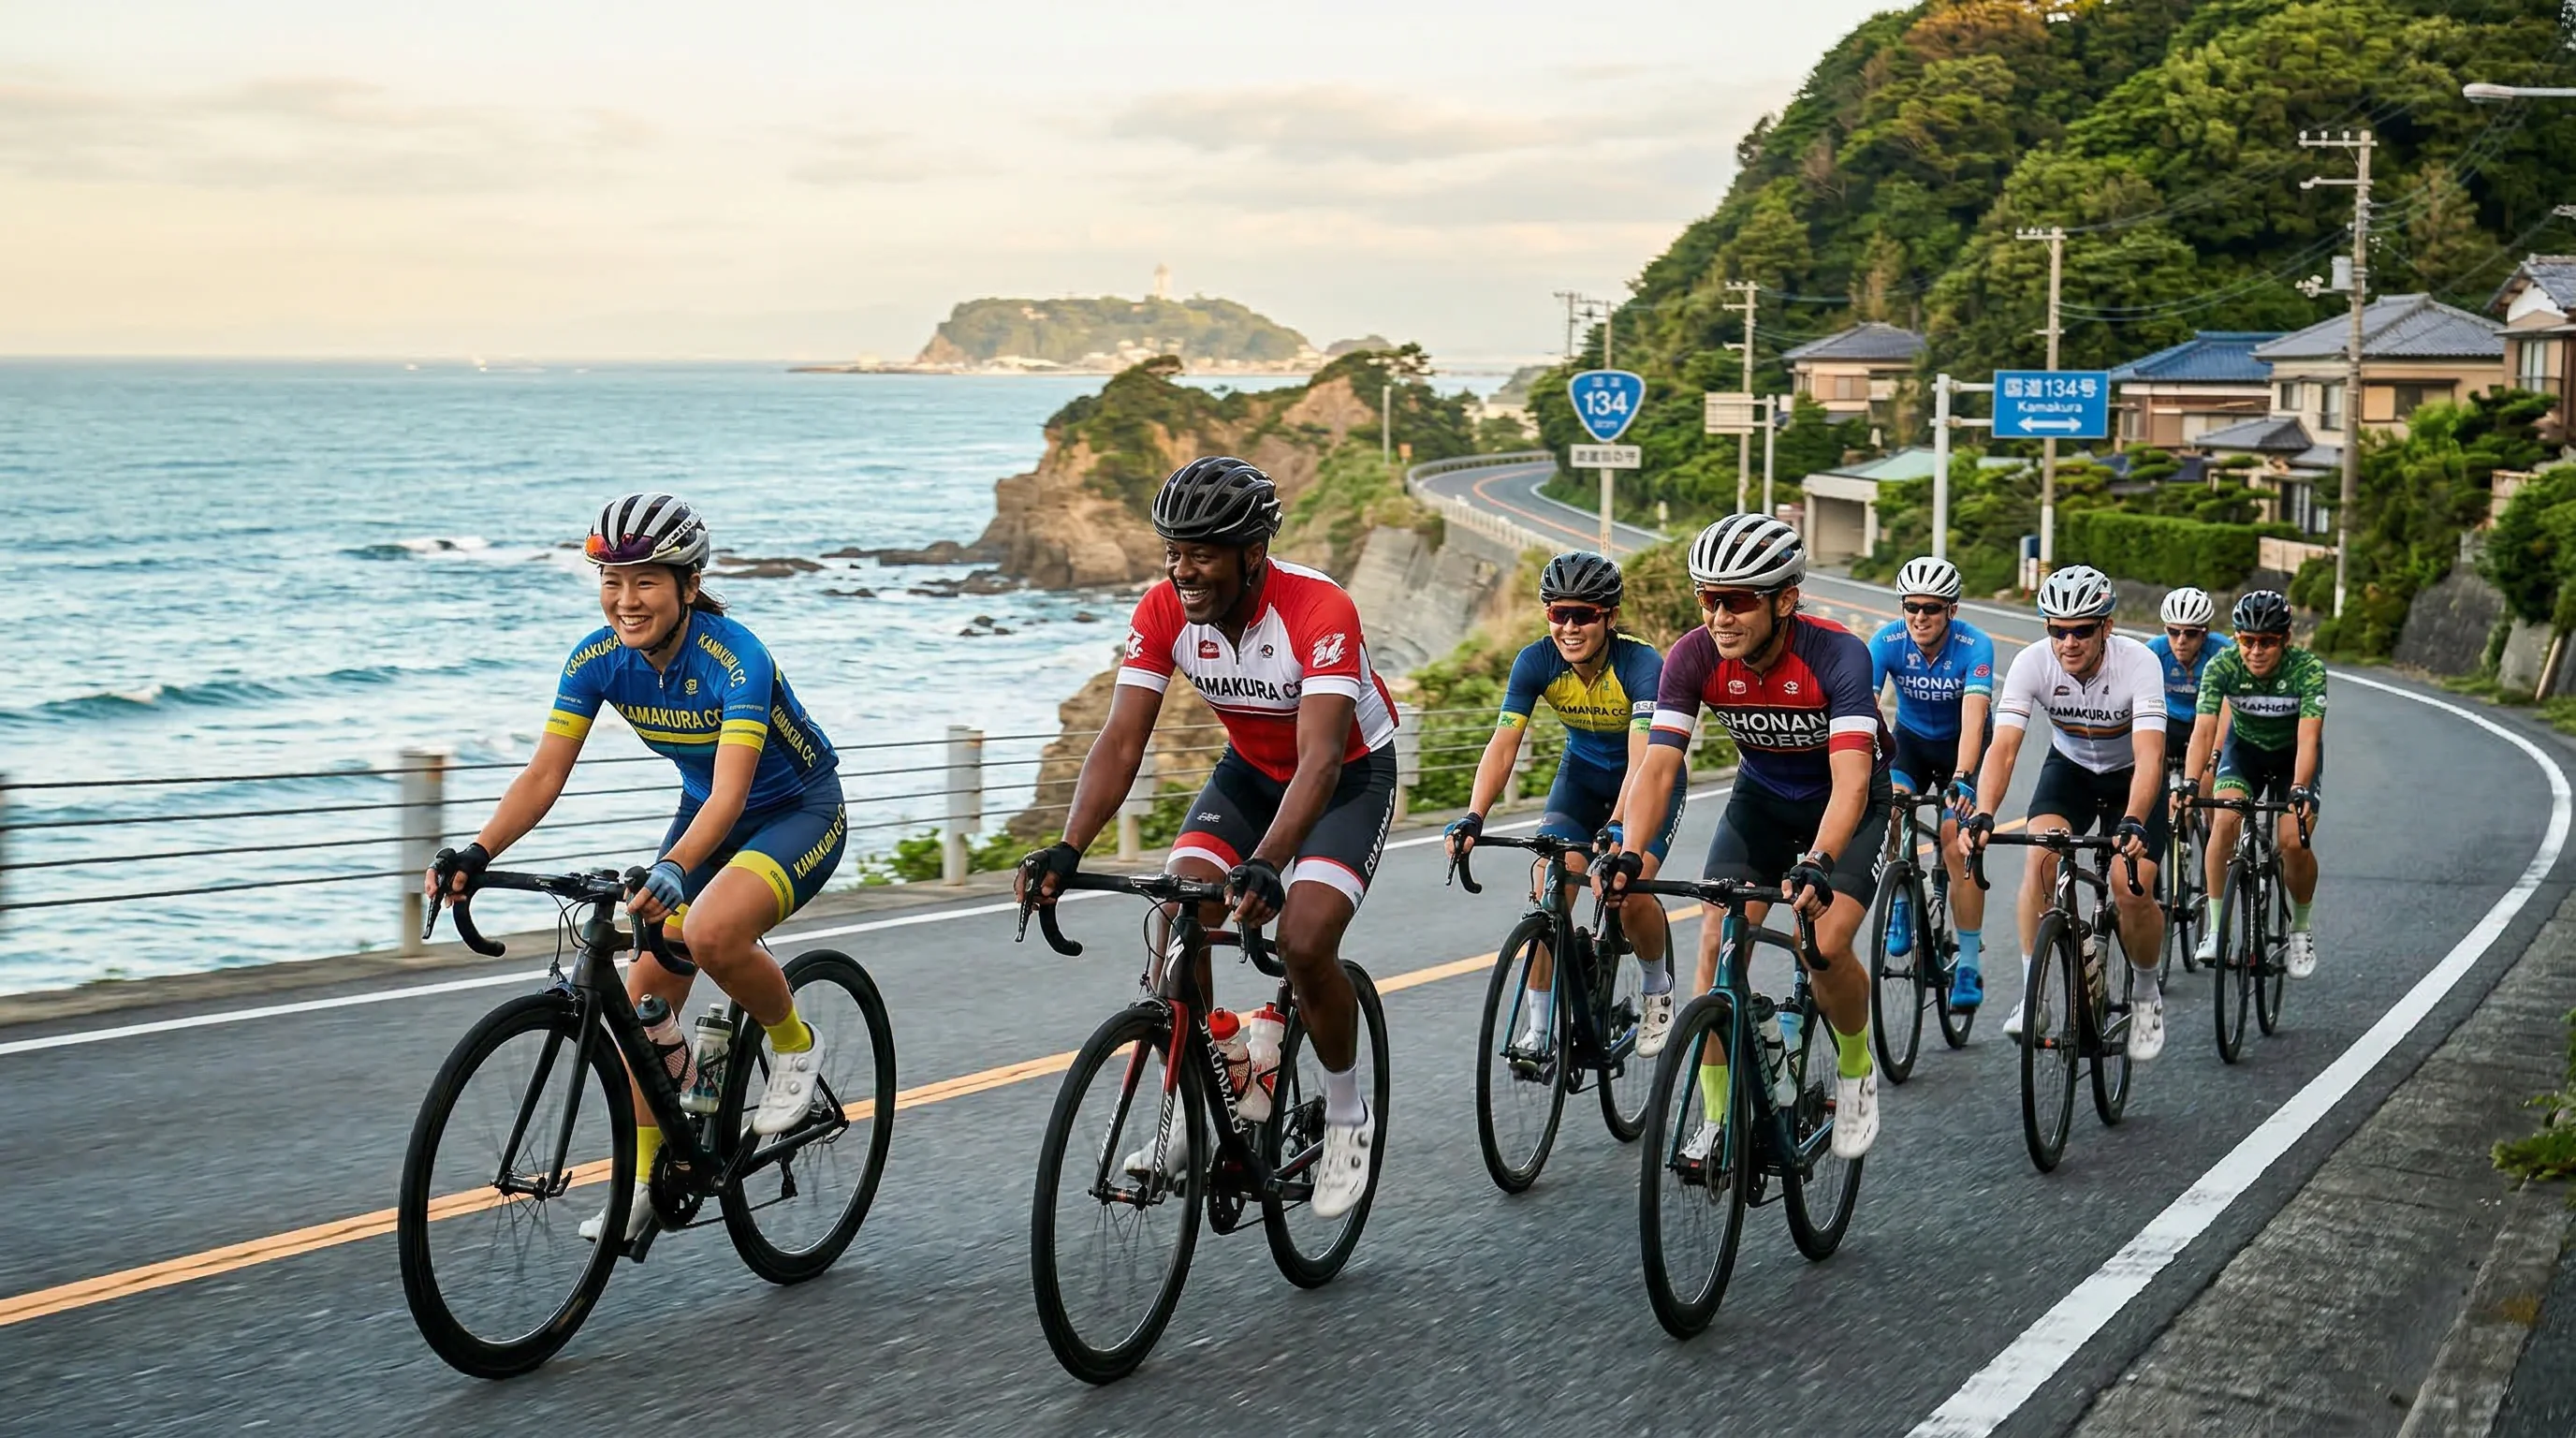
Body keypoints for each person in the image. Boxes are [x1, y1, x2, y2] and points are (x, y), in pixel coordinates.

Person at [426, 493, 847, 1244]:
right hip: (706, 816)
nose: (626, 600)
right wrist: (479, 852)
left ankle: (793, 1044)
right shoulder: (595, 661)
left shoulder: (735, 658)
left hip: (796, 810)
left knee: (712, 930)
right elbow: (543, 776)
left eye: (647, 581)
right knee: (642, 1008)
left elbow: (731, 792)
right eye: (611, 581)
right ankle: (653, 1179)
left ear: (688, 586)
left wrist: (678, 868)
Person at [1018, 457, 1397, 1219]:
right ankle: (1209, 1089)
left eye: (1200, 553)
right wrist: (1069, 847)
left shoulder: (1319, 610)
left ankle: (1350, 1112)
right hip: (1251, 773)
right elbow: (1123, 741)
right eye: (1172, 551)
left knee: (1304, 937)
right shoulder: (1162, 611)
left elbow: (1321, 759)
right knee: (1176, 914)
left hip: (1348, 778)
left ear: (1252, 552)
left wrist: (1265, 864)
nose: (1180, 569)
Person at [1597, 513, 1889, 1163]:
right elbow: (1660, 765)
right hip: (1761, 800)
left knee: (1824, 946)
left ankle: (1854, 1065)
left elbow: (1848, 784)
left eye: (1736, 601)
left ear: (1785, 600)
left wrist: (1818, 861)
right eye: (1707, 599)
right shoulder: (1693, 654)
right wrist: (1629, 850)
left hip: (1846, 805)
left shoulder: (1837, 654)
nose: (1718, 616)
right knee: (1713, 943)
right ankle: (1718, 1117)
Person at [1448, 551, 1685, 1063]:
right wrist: (1474, 815)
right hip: (1578, 779)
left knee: (1631, 886)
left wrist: (1621, 824)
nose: (1570, 626)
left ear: (1611, 617)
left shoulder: (1643, 665)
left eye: (1585, 614)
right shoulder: (1536, 662)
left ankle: (1656, 986)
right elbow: (1504, 742)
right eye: (1559, 613)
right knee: (1548, 887)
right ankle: (1538, 1031)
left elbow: (1643, 761)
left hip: (1643, 781)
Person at [1957, 565, 2171, 1060]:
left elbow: (2152, 756)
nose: (2068, 642)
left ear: (2107, 628)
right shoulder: (2034, 663)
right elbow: (2004, 748)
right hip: (2070, 769)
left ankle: (2144, 993)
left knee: (2129, 885)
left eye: (2081, 630)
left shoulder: (2138, 664)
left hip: (2130, 778)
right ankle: (2037, 995)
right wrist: (1983, 813)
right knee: (2040, 860)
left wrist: (2135, 818)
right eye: (2057, 629)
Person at [1867, 555, 1996, 1008]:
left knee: (1952, 836)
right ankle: (1901, 904)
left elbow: (1974, 716)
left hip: (1966, 743)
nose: (1920, 616)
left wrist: (1961, 778)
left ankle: (1968, 967)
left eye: (1932, 608)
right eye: (1912, 606)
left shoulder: (1974, 645)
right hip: (1913, 744)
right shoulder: (1886, 641)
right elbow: (1866, 711)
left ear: (1951, 610)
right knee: (1890, 809)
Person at [2183, 590, 2327, 976]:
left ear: (2286, 640)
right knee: (2224, 821)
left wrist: (2299, 788)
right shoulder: (2222, 666)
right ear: (2236, 638)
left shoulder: (2307, 670)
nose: (2256, 651)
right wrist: (2191, 782)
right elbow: (2204, 729)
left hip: (2291, 757)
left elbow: (2310, 737)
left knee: (2292, 841)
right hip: (2243, 752)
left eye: (2267, 642)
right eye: (2247, 641)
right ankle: (2216, 930)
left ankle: (2300, 928)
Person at [2145, 587, 2234, 776]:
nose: (2181, 641)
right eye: (2173, 632)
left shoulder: (2223, 650)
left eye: (2191, 634)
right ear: (2165, 630)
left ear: (2205, 633)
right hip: (2170, 720)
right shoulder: (2154, 650)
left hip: (2208, 720)